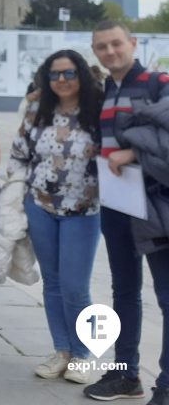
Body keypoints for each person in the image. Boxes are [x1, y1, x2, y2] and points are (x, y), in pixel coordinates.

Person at [84, 21, 169, 403]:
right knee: (124, 291)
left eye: (116, 44)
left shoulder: (158, 83)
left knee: (167, 297)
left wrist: (132, 153)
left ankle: (166, 385)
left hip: (155, 206)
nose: (110, 52)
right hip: (117, 204)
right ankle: (125, 374)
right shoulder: (104, 90)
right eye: (101, 47)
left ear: (133, 43)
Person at [8, 49, 101, 385]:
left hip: (83, 211)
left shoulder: (97, 108)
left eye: (69, 73)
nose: (62, 80)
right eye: (55, 74)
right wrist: (15, 194)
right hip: (41, 207)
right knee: (54, 283)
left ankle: (82, 354)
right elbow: (19, 153)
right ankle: (61, 350)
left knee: (76, 287)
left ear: (82, 75)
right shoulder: (38, 107)